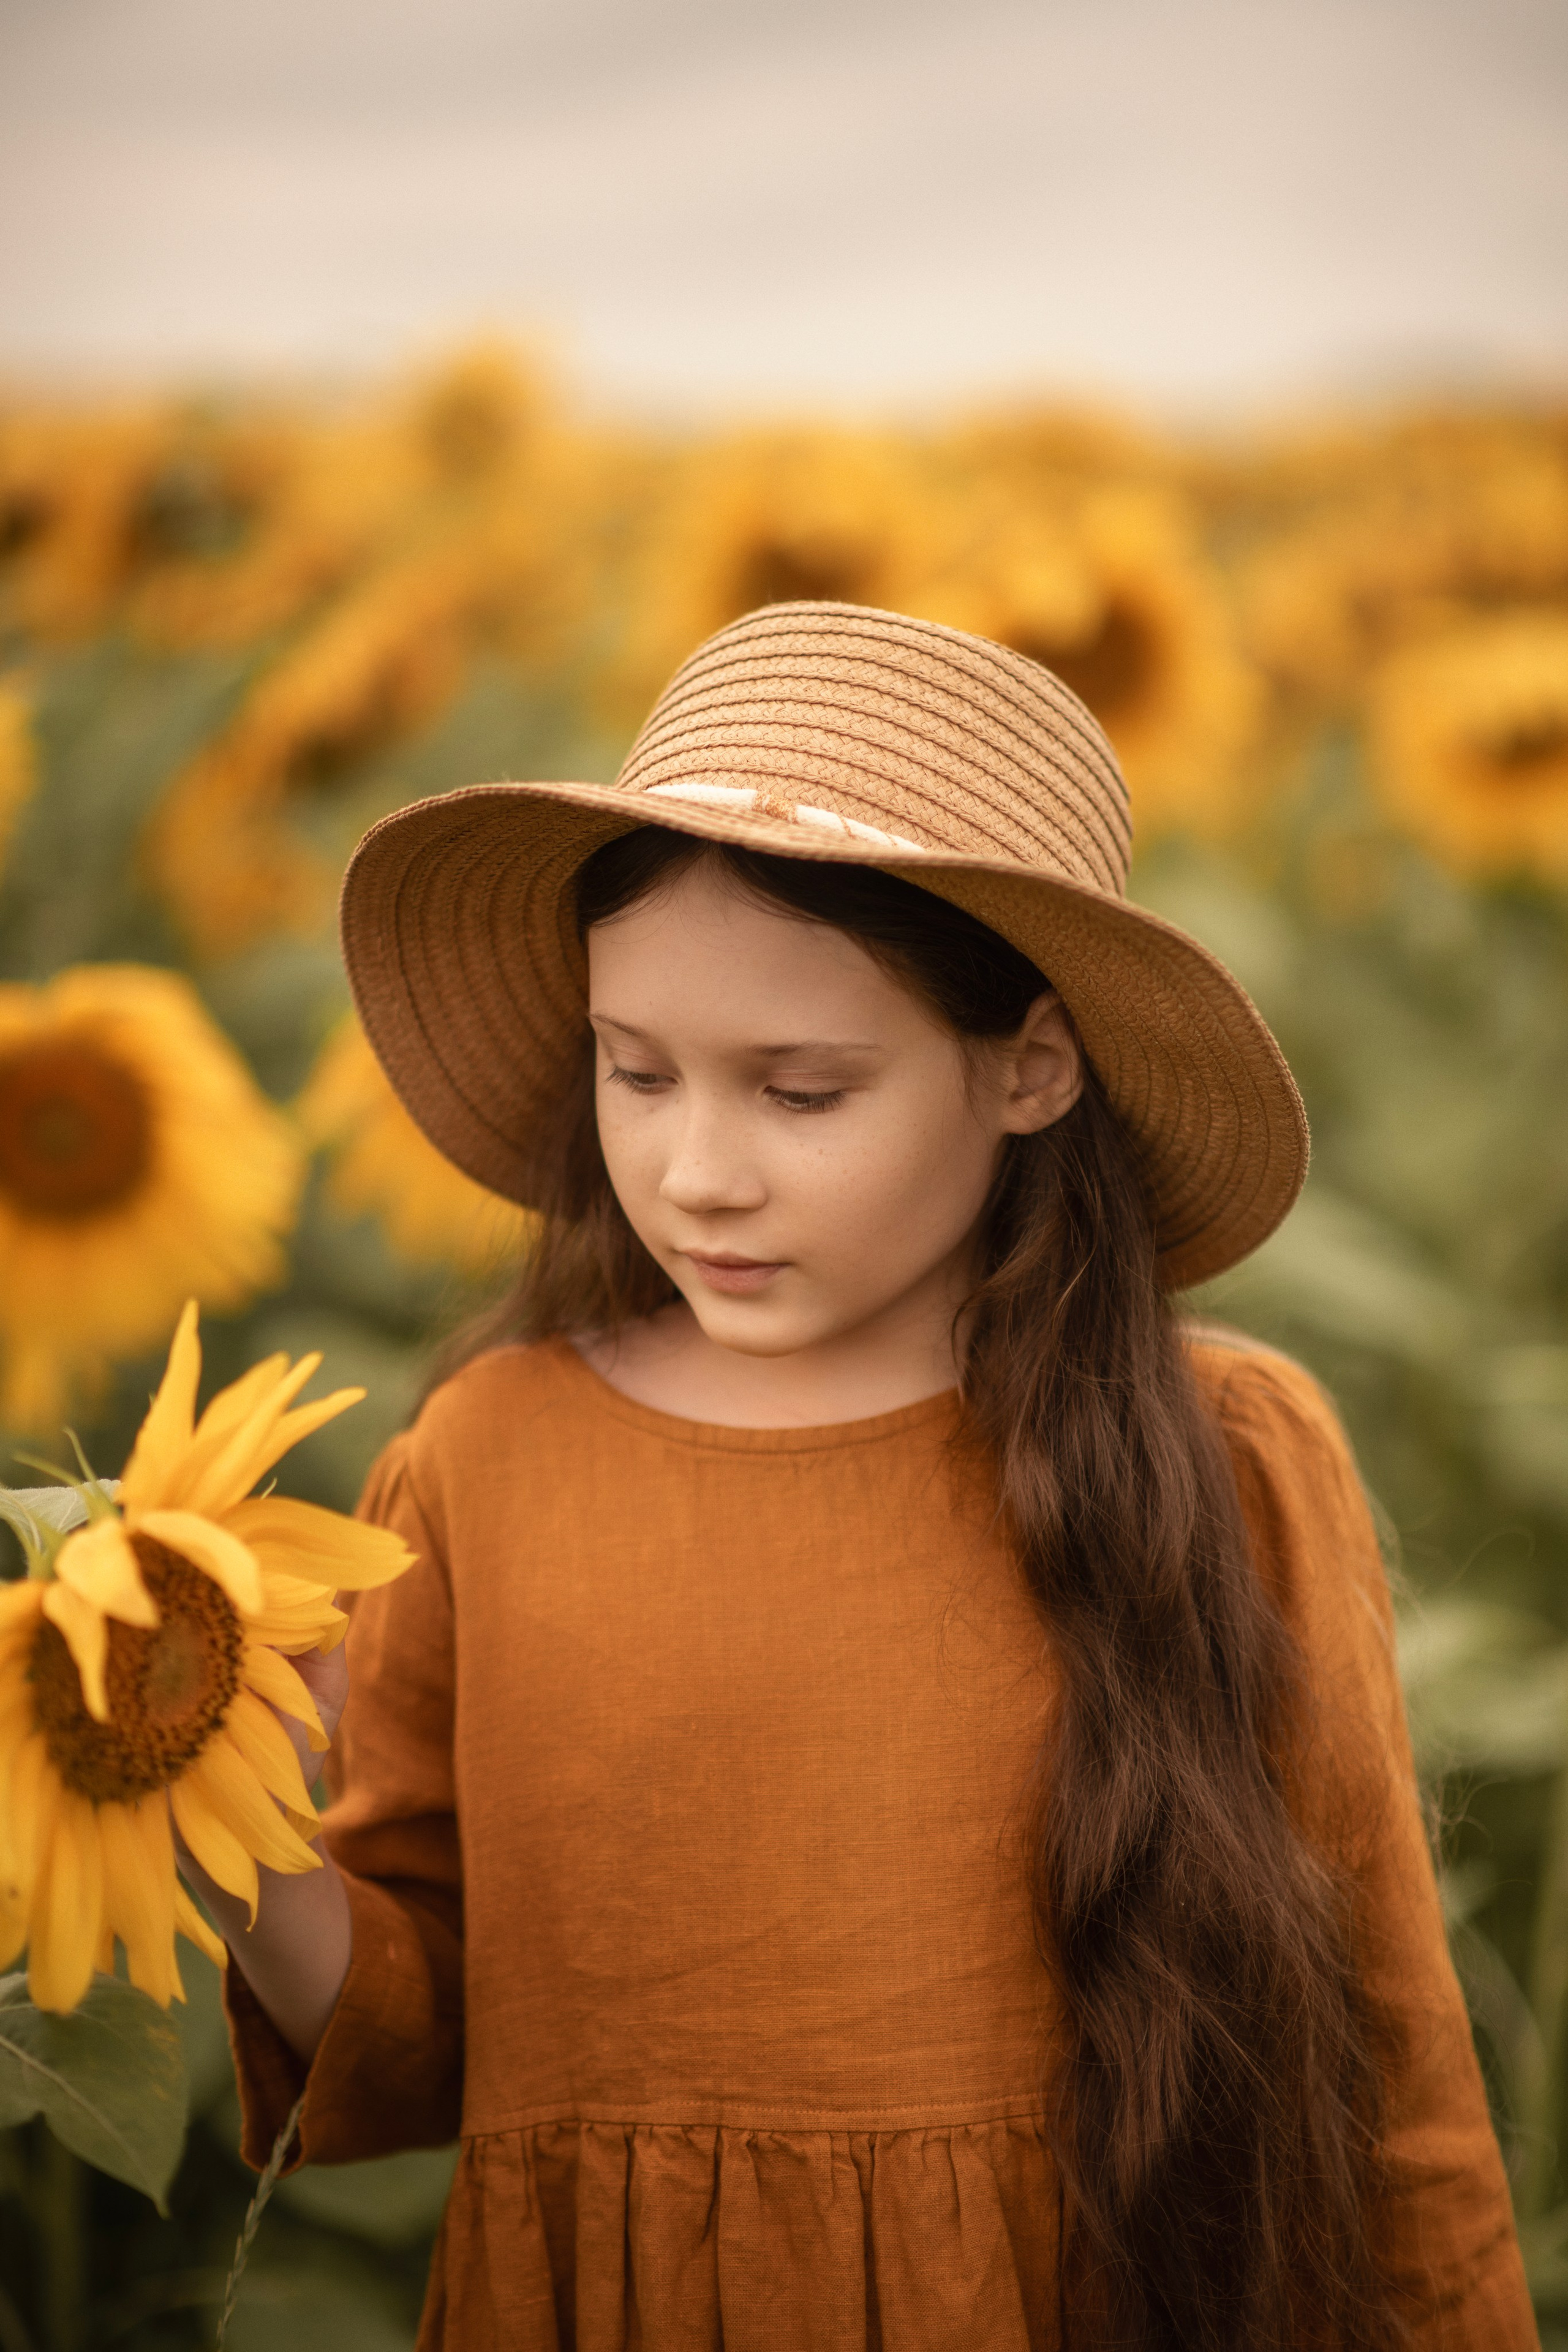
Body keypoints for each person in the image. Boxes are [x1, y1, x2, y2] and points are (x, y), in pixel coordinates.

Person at [191, 603, 1536, 2350]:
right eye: (636, 1070)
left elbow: (1398, 2084)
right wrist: (230, 1824)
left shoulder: (1226, 1457)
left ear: (1031, 1068)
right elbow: (415, 2045)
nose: (696, 1174)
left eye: (802, 1093)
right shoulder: (486, 1460)